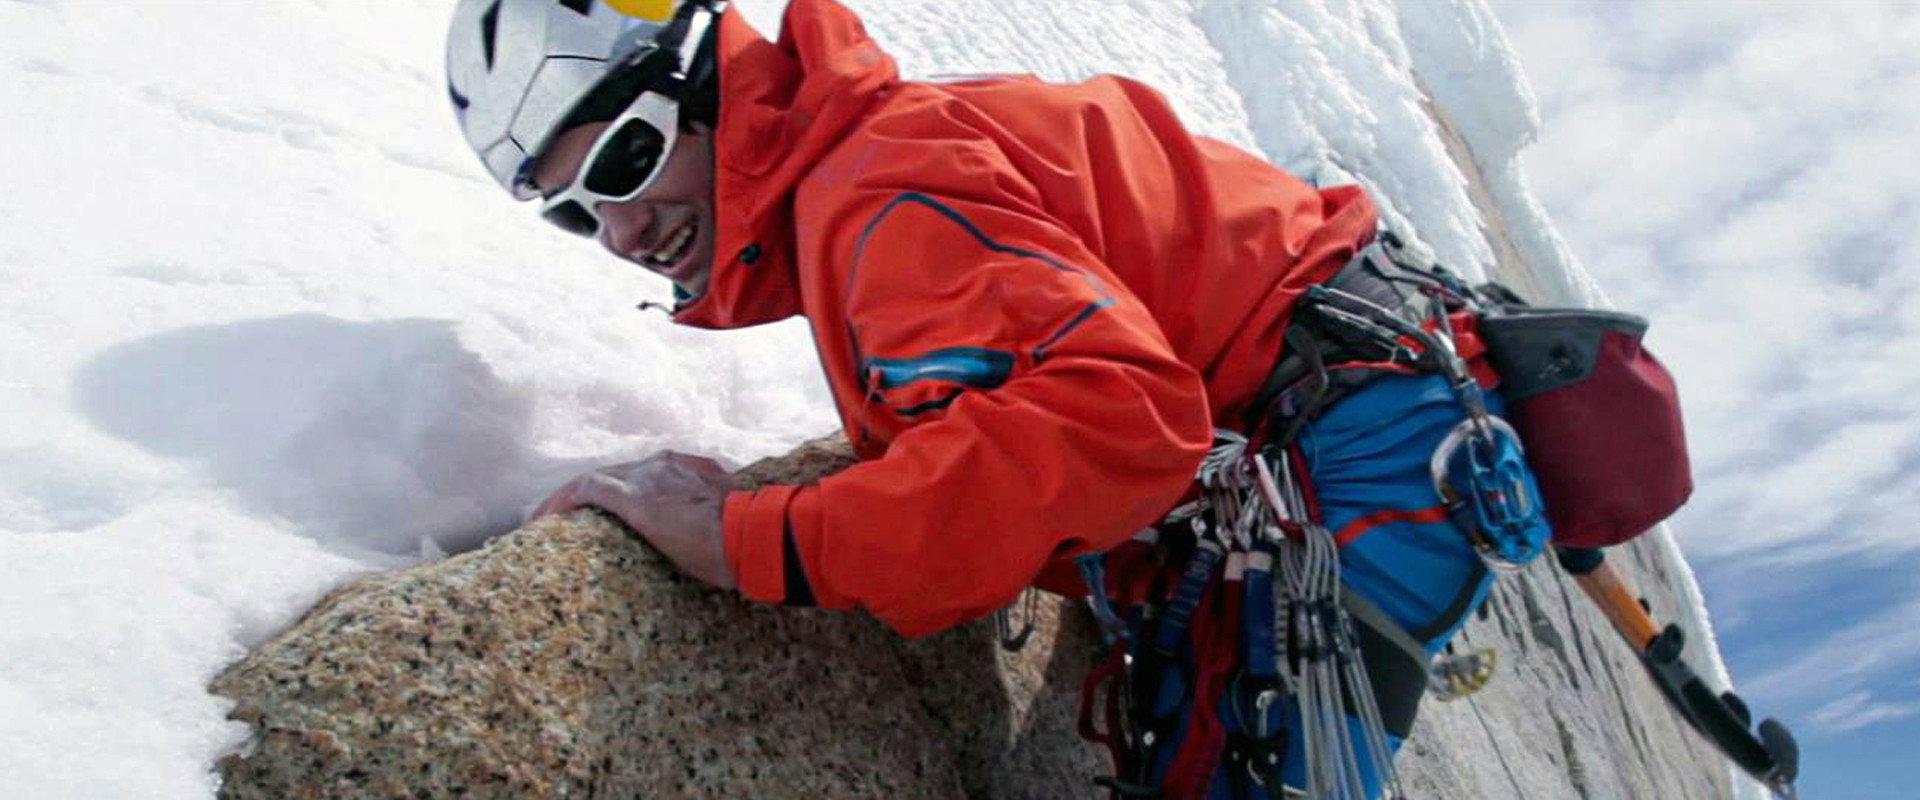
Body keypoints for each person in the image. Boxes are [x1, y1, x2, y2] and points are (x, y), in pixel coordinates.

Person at [445, 1, 1534, 796]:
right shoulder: (859, 171)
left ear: (707, 85)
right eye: (577, 214)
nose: (623, 232)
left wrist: (748, 539)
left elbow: (1112, 419)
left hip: (1353, 444)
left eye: (627, 161)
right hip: (1359, 404)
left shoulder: (877, 193)